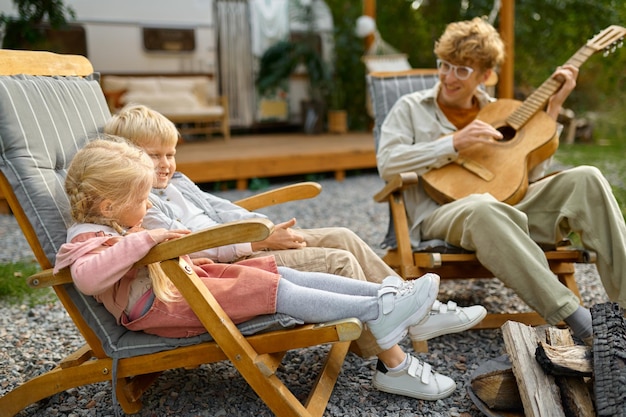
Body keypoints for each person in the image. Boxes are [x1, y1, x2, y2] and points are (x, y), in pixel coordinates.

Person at [103, 104, 487, 399]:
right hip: (226, 266)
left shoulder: (178, 182)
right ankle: (392, 362)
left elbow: (224, 210)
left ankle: (412, 309)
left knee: (342, 235)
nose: (166, 164)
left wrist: (270, 229)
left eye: (170, 154)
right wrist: (258, 241)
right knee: (339, 262)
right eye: (154, 156)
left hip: (247, 242)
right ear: (127, 160)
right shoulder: (142, 203)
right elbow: (189, 249)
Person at [377, 17, 626, 344]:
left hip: (507, 207)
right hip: (441, 212)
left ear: (486, 75)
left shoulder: (499, 112)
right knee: (484, 207)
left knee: (587, 177)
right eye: (445, 65)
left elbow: (525, 174)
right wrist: (451, 143)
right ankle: (576, 318)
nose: (449, 77)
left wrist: (553, 109)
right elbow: (387, 162)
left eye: (462, 70)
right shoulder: (410, 108)